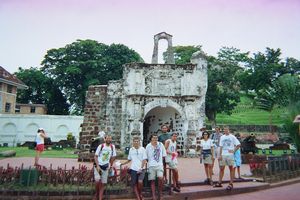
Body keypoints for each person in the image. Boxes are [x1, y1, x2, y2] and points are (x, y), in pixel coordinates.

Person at [214, 126, 241, 190]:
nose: (225, 130)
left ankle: (231, 183)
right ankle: (219, 182)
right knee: (221, 168)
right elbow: (220, 146)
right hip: (223, 154)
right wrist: (220, 155)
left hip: (230, 154)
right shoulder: (222, 137)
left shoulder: (232, 137)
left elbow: (238, 145)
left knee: (231, 168)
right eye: (224, 129)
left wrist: (233, 151)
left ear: (229, 130)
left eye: (226, 129)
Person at [94, 134, 116, 200]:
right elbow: (95, 156)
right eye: (107, 138)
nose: (109, 139)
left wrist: (111, 166)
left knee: (103, 183)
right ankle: (97, 194)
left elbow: (113, 157)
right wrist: (97, 166)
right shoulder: (101, 146)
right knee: (97, 181)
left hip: (106, 166)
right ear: (105, 139)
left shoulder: (112, 147)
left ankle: (100, 197)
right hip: (99, 166)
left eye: (110, 138)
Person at [146, 134, 167, 200]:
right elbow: (146, 157)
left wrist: (162, 164)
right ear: (151, 139)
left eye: (156, 138)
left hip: (159, 165)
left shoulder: (161, 145)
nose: (155, 139)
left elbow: (163, 156)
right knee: (152, 181)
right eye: (154, 138)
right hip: (151, 165)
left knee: (160, 178)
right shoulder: (148, 146)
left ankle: (160, 193)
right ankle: (153, 195)